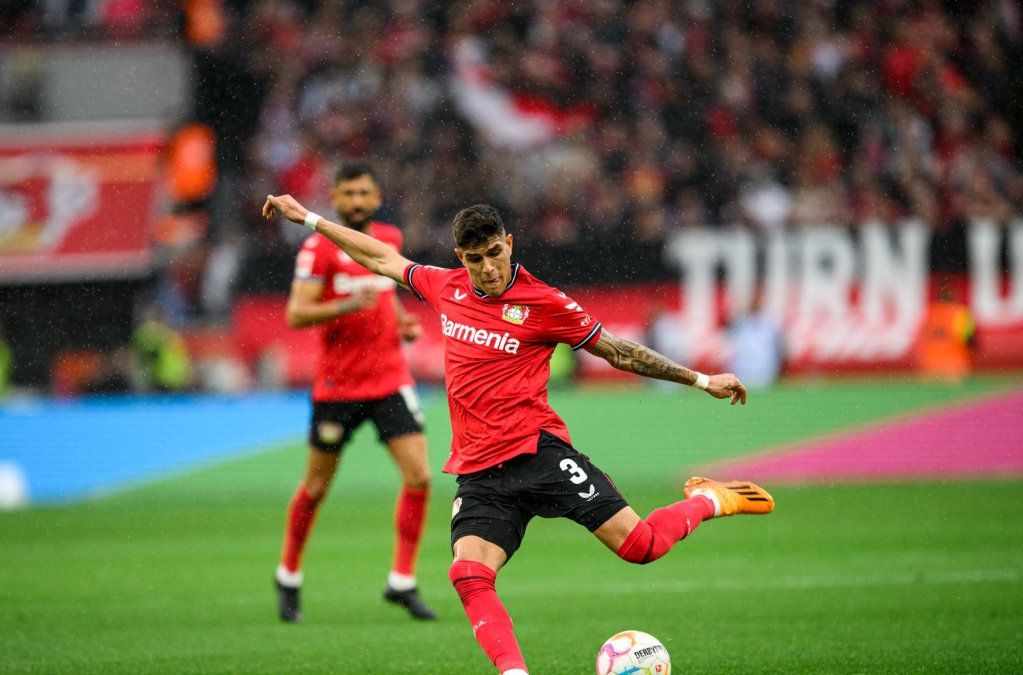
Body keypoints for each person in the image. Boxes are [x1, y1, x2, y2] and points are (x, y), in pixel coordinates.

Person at [263, 194, 774, 675]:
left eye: (493, 253)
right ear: (459, 257)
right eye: (474, 259)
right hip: (480, 472)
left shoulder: (546, 303)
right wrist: (309, 218)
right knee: (467, 575)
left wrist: (702, 380)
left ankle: (708, 499)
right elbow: (380, 258)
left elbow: (619, 351)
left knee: (641, 546)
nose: (487, 268)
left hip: (539, 454)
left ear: (509, 243)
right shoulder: (447, 287)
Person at [273, 162, 436, 623]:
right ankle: (288, 575)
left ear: (378, 196)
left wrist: (399, 318)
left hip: (389, 379)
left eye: (365, 192)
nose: (358, 201)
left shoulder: (391, 238)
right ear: (336, 199)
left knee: (420, 475)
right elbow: (296, 313)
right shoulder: (318, 248)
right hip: (338, 387)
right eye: (349, 194)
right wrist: (347, 303)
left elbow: (387, 287)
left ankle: (401, 582)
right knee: (318, 486)